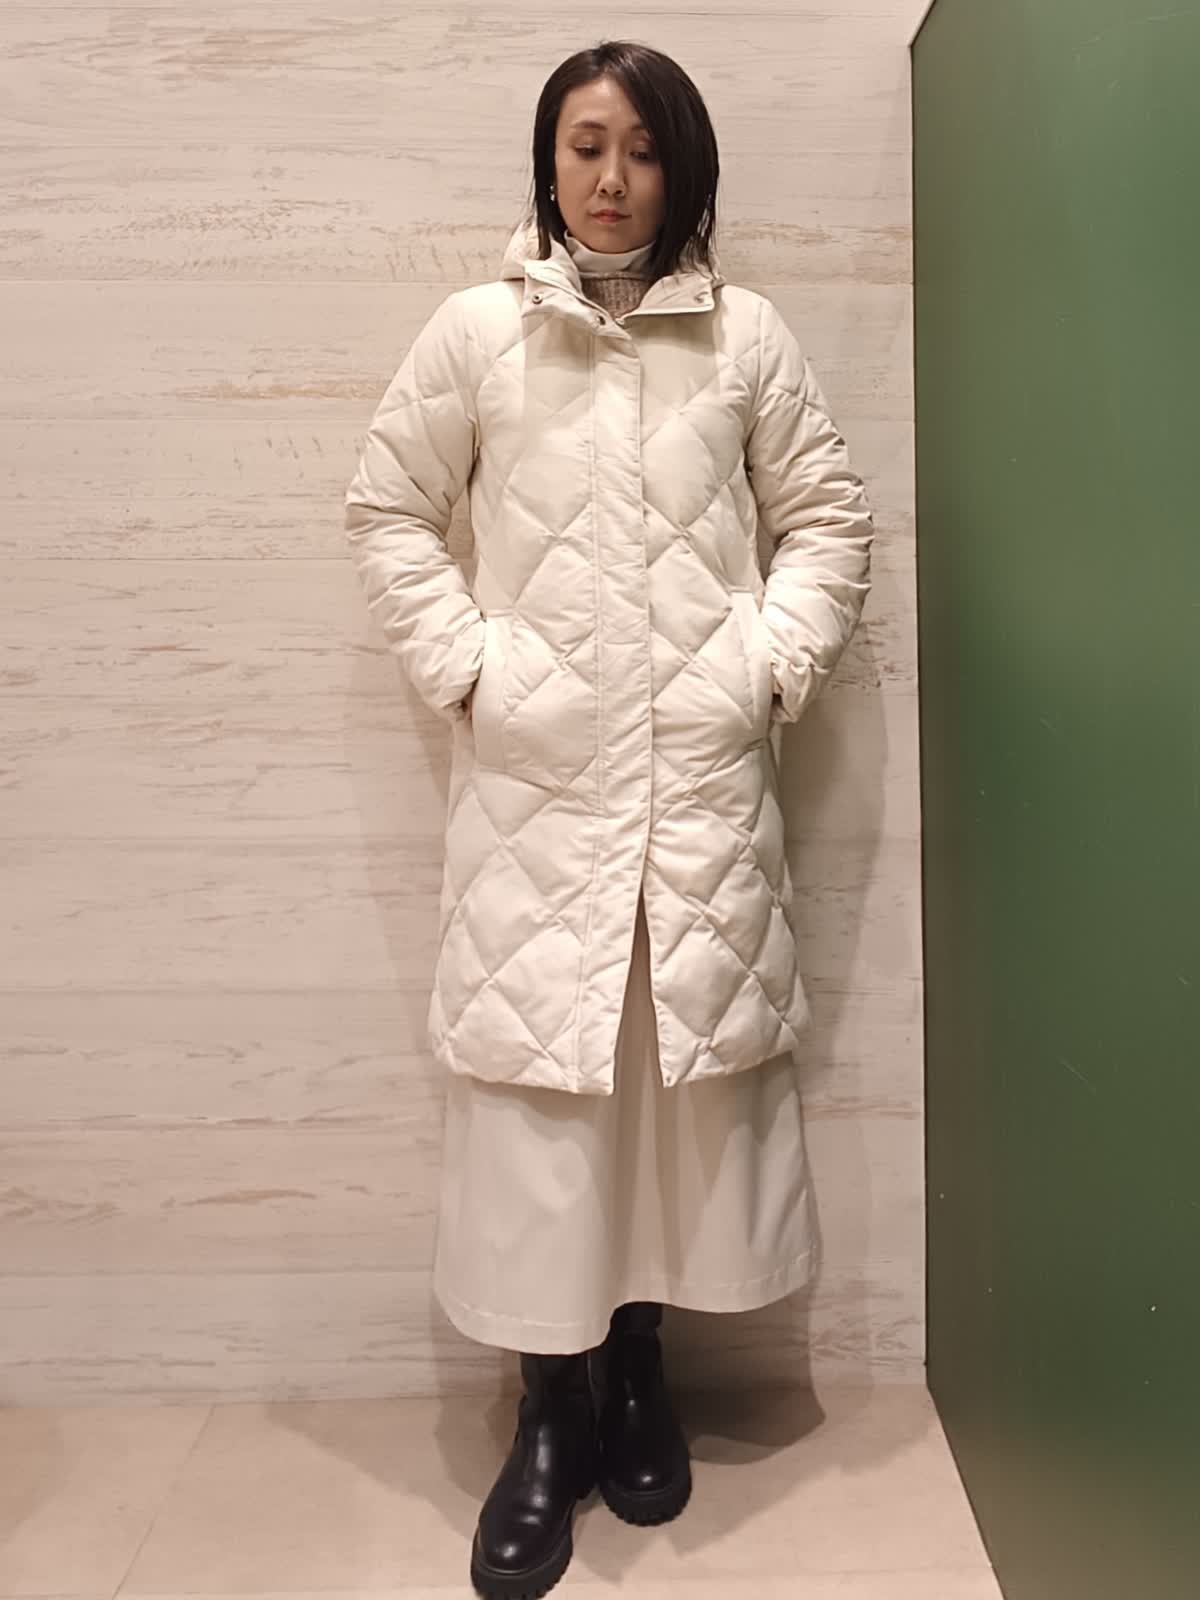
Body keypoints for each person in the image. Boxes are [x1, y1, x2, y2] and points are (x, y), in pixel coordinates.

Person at [344, 38, 875, 1600]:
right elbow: (388, 508)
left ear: (683, 168)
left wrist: (762, 670)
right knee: (546, 1108)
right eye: (585, 145)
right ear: (548, 159)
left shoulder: (746, 338)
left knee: (663, 1093)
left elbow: (828, 520)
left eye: (641, 150)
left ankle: (641, 1367)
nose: (611, 178)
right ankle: (549, 1410)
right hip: (540, 797)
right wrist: (473, 669)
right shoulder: (479, 335)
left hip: (697, 790)